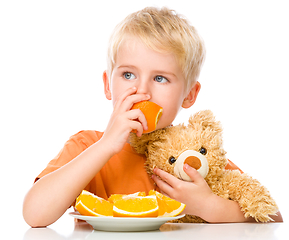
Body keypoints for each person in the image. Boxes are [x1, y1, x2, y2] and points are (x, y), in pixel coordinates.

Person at [23, 7, 282, 227]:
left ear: (189, 95)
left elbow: (271, 216)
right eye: (128, 75)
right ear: (107, 85)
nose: (143, 91)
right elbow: (34, 214)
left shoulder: (195, 155)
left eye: (160, 78)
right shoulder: (86, 146)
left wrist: (209, 206)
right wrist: (105, 146)